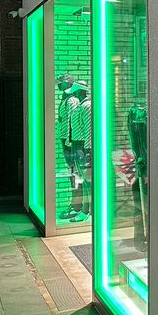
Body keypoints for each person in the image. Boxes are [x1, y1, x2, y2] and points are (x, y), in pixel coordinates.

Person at [55, 73, 82, 221]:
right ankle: (75, 204)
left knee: (76, 173)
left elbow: (73, 122)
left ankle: (77, 206)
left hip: (71, 142)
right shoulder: (66, 99)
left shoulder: (71, 100)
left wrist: (70, 141)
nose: (58, 85)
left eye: (61, 83)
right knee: (72, 173)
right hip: (66, 140)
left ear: (67, 83)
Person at [68, 81, 93, 223]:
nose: (74, 93)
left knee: (87, 181)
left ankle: (86, 211)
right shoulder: (80, 105)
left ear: (80, 91)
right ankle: (86, 209)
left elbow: (89, 130)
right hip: (78, 145)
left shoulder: (87, 106)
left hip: (84, 147)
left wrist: (88, 150)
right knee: (82, 179)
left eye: (75, 91)